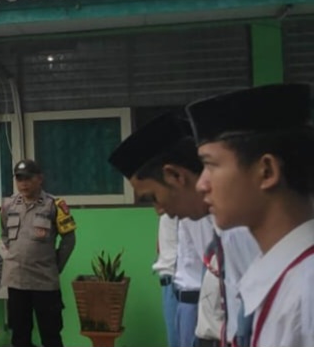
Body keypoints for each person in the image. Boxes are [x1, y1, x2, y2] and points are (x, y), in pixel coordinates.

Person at [108, 112, 259, 347]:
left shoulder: (240, 229)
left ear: (176, 176)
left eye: (153, 197)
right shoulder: (221, 227)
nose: (159, 211)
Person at [187, 83, 314, 347]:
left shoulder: (307, 287)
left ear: (266, 171)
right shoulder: (281, 273)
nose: (201, 184)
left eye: (211, 165)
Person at [0, 159, 76, 347]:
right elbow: (5, 234)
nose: (23, 183)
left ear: (40, 179)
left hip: (44, 282)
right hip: (16, 281)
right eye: (19, 179)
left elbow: (69, 240)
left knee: (51, 335)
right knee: (19, 335)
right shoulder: (9, 205)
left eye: (28, 178)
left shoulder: (54, 205)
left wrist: (55, 266)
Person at [152, 213, 179, 347]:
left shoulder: (180, 210)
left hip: (176, 281)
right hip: (171, 280)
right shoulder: (166, 212)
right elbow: (159, 246)